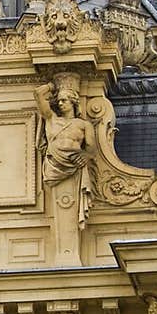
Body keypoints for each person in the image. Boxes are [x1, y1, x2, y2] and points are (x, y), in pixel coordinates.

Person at [34, 78, 95, 225]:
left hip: (74, 164)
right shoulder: (52, 119)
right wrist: (52, 86)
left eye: (64, 100)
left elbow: (91, 148)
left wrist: (85, 156)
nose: (60, 103)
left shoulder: (84, 125)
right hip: (54, 165)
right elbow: (37, 94)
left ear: (73, 102)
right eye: (59, 101)